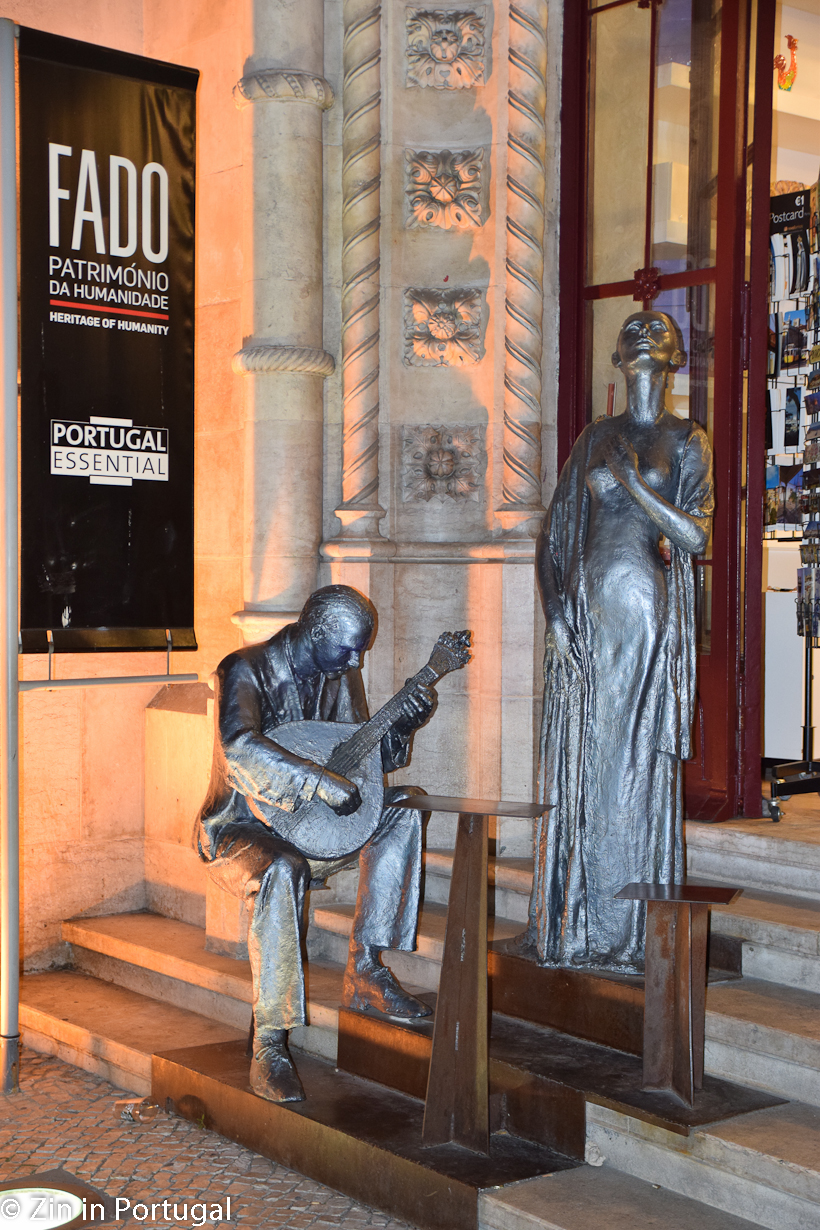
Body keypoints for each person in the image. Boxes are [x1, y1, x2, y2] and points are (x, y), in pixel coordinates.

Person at [520, 311, 714, 973]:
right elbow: (551, 535)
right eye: (633, 330)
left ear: (674, 355)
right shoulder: (595, 436)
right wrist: (554, 615)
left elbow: (694, 535)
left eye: (657, 330)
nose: (644, 335)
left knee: (629, 756)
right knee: (583, 752)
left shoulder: (686, 439)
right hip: (584, 610)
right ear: (618, 356)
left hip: (641, 612)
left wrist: (632, 484)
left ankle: (626, 929)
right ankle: (577, 921)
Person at [194, 585, 435, 1103]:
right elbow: (239, 749)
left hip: (319, 828)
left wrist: (402, 727)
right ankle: (269, 1042)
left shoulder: (339, 672)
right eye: (349, 649)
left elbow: (362, 758)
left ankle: (366, 969)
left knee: (406, 806)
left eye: (360, 651)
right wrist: (316, 782)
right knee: (282, 868)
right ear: (315, 632)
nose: (355, 661)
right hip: (243, 829)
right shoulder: (244, 669)